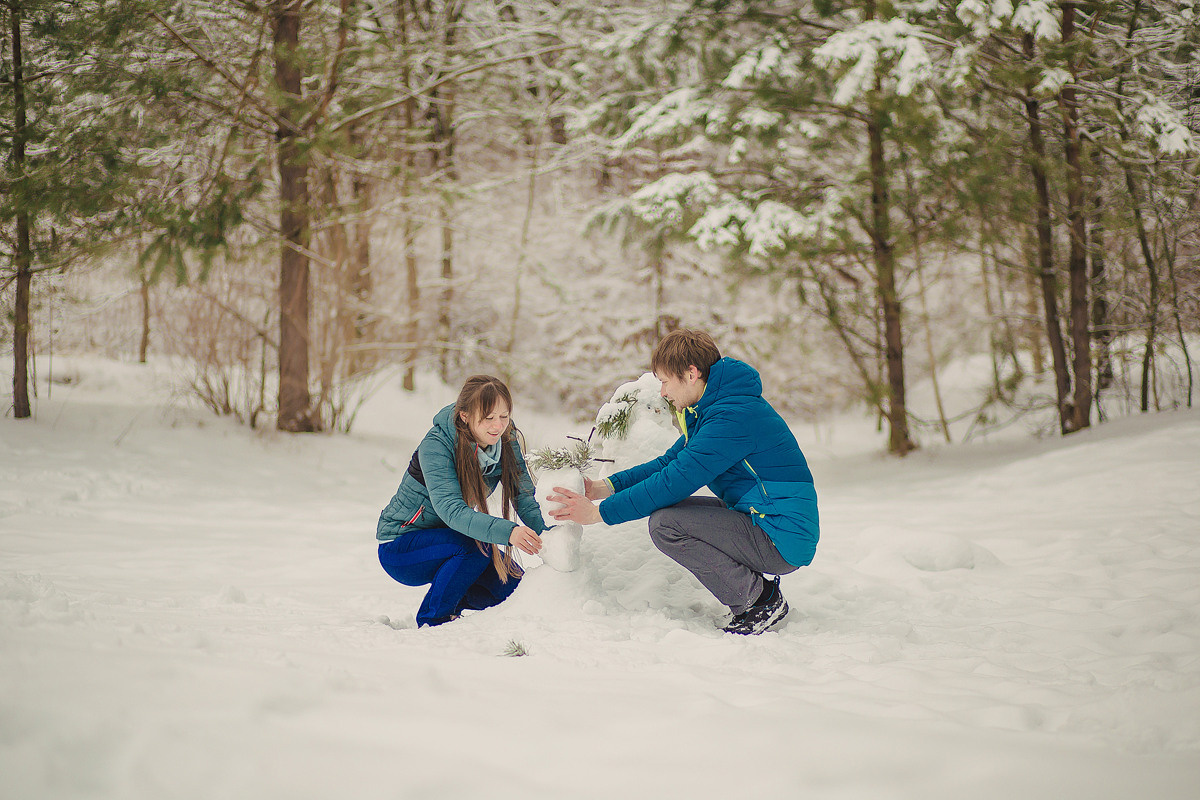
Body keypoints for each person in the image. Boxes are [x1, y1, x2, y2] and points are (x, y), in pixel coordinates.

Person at [550, 329, 819, 635]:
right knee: (668, 517)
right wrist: (603, 488)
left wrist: (599, 513)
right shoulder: (717, 411)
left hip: (780, 536)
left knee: (667, 524)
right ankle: (756, 594)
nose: (663, 392)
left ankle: (759, 600)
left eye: (665, 381)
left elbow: (674, 481)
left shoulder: (731, 419)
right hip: (763, 519)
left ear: (691, 374)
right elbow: (668, 463)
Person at [376, 375, 546, 628]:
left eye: (504, 416)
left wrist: (550, 540)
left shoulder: (505, 441)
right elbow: (452, 511)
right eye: (488, 417)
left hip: (454, 540)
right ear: (465, 415)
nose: (498, 425)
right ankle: (435, 619)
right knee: (475, 549)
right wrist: (509, 532)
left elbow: (523, 496)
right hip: (402, 545)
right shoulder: (437, 445)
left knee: (514, 589)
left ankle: (448, 599)